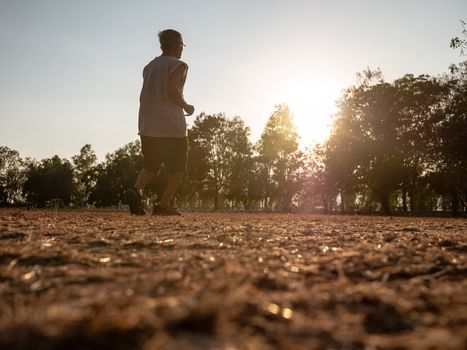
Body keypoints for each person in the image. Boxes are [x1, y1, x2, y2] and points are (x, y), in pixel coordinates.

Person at [126, 29, 194, 216]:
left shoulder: (149, 67)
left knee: (150, 165)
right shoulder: (179, 65)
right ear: (178, 44)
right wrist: (186, 106)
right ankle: (162, 205)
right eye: (182, 45)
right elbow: (172, 90)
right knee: (178, 169)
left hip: (148, 124)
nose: (182, 49)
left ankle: (136, 190)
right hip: (171, 125)